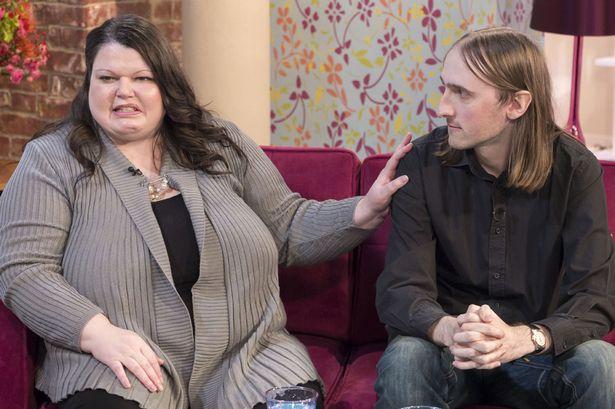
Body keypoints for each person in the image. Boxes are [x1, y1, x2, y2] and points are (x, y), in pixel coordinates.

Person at [0, 14, 412, 409]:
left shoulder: (218, 141)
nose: (124, 92)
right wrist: (97, 333)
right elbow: (23, 268)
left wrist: (366, 208)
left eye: (142, 78)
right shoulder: (51, 159)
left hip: (247, 358)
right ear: (88, 84)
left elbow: (287, 225)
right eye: (107, 78)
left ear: (166, 86)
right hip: (119, 362)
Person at [375, 27, 615, 409]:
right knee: (405, 358)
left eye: (462, 93)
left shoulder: (575, 168)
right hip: (452, 350)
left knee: (601, 362)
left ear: (516, 104)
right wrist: (449, 329)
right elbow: (401, 288)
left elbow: (595, 296)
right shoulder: (419, 163)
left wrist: (525, 338)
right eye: (445, 88)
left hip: (534, 352)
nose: (443, 107)